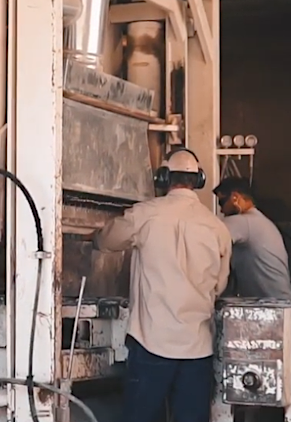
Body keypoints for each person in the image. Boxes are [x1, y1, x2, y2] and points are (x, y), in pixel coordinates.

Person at [83, 147, 231, 422]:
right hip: (197, 346)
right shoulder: (217, 227)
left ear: (164, 178)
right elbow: (219, 285)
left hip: (151, 342)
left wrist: (93, 236)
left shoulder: (144, 215)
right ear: (198, 180)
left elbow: (107, 241)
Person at [212, 177, 291, 300]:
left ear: (235, 197)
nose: (221, 209)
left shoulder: (244, 222)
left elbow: (206, 238)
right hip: (280, 303)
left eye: (222, 202)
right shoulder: (260, 221)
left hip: (272, 306)